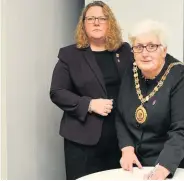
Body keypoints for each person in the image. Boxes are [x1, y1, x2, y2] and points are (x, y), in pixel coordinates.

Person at [115, 19, 184, 180]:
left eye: (152, 46)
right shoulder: (131, 71)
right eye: (139, 47)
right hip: (144, 164)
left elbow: (182, 131)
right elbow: (120, 114)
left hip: (183, 165)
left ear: (164, 50)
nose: (145, 53)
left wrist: (163, 168)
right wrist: (127, 148)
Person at [50, 1, 133, 179]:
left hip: (120, 140)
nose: (96, 22)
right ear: (83, 24)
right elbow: (57, 91)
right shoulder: (70, 55)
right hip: (81, 141)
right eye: (91, 18)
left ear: (110, 23)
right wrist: (89, 104)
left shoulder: (124, 51)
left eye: (102, 18)